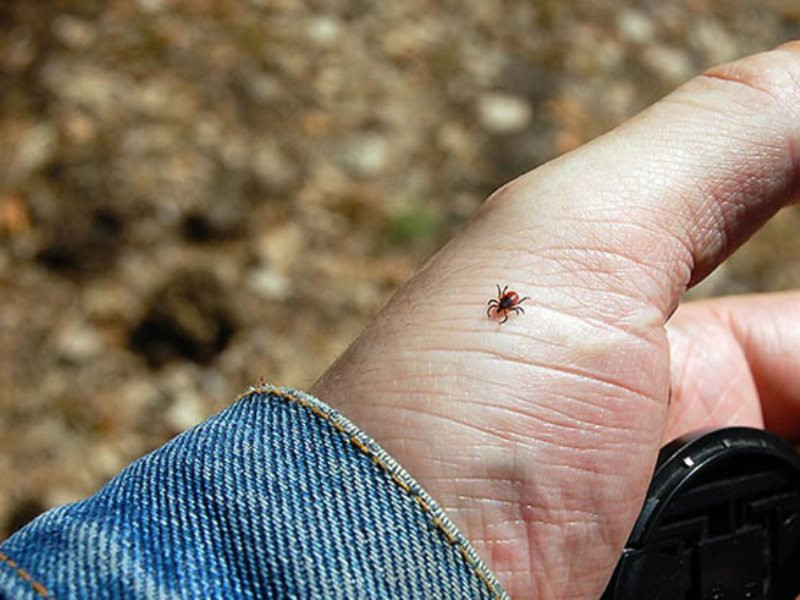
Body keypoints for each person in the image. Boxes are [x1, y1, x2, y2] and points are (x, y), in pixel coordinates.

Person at [2, 43, 800, 600]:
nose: (507, 306)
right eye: (507, 304)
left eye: (506, 303)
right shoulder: (510, 308)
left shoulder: (508, 303)